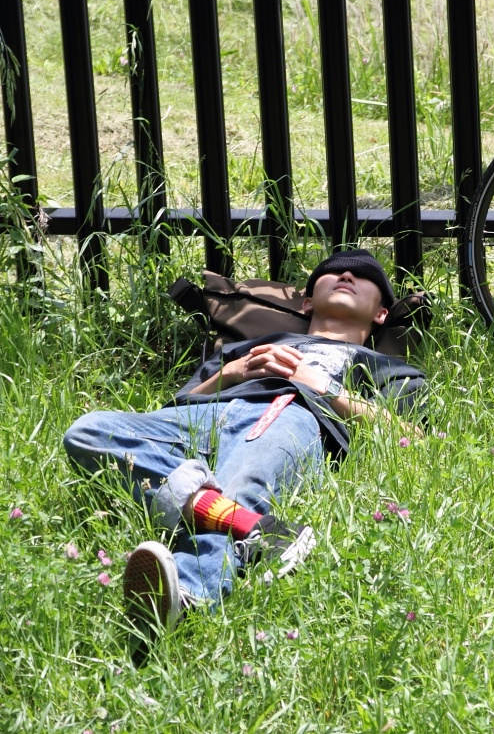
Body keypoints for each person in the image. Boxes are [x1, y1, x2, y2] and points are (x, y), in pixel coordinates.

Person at [64, 248, 427, 654]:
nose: (345, 275)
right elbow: (178, 405)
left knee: (241, 482)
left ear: (381, 314)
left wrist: (316, 385)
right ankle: (252, 528)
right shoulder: (248, 347)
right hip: (208, 415)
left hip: (289, 411)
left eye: (362, 277)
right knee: (89, 431)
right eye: (333, 272)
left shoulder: (386, 366)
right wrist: (230, 374)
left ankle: (187, 593)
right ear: (306, 302)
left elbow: (411, 437)